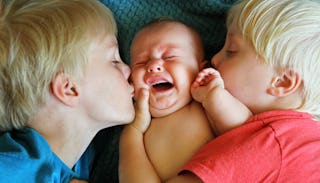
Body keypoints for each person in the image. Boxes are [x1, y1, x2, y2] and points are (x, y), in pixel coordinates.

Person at [119, 0, 320, 182]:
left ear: (282, 82)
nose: (215, 59)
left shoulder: (272, 143)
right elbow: (240, 127)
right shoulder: (296, 138)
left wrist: (131, 136)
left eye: (231, 51)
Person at [0, 0, 135, 182]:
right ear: (69, 89)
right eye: (114, 61)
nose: (128, 69)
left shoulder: (81, 158)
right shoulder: (17, 164)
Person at [124, 18, 214, 181]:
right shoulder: (140, 129)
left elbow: (244, 132)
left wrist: (216, 94)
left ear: (201, 70)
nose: (153, 65)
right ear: (131, 84)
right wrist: (133, 131)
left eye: (169, 57)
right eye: (141, 63)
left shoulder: (208, 107)